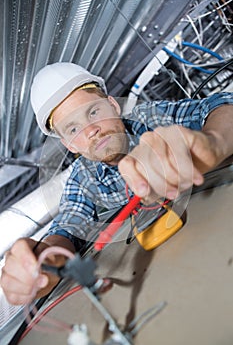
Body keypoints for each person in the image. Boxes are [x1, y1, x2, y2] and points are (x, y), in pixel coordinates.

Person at [1, 62, 233, 305]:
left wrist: (213, 141)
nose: (91, 130)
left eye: (93, 112)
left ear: (113, 106)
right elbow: (68, 230)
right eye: (73, 128)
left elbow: (220, 106)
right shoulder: (83, 181)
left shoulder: (150, 119)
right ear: (70, 145)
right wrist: (44, 260)